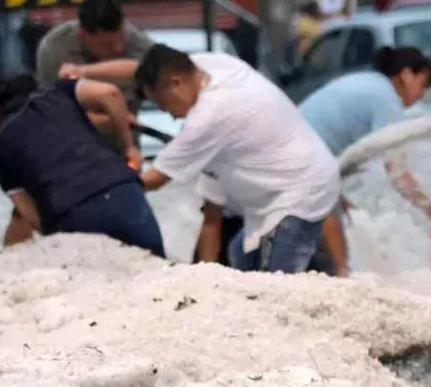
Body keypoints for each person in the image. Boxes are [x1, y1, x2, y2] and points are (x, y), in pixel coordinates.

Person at [134, 45, 340, 274]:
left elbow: (154, 179)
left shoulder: (207, 118)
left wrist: (114, 177)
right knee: (240, 256)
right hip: (279, 191)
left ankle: (328, 277)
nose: (170, 116)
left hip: (300, 190)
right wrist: (206, 277)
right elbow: (212, 214)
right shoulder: (218, 65)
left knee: (278, 281)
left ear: (176, 83)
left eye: (164, 105)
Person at [296, 46, 431, 276]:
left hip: (296, 142)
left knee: (341, 209)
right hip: (302, 153)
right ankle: (342, 273)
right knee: (327, 209)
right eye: (423, 84)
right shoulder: (387, 100)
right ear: (406, 75)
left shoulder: (371, 83)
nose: (421, 95)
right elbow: (397, 172)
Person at [0, 74, 163, 257]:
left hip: (69, 208)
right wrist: (130, 146)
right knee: (157, 266)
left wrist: (53, 239)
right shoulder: (59, 92)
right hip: (121, 188)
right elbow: (110, 93)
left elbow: (26, 209)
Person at [36, 0, 153, 153]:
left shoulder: (140, 45)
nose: (119, 48)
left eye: (122, 39)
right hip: (69, 146)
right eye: (107, 45)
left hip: (123, 145)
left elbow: (153, 73)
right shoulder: (55, 50)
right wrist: (116, 119)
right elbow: (54, 114)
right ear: (82, 35)